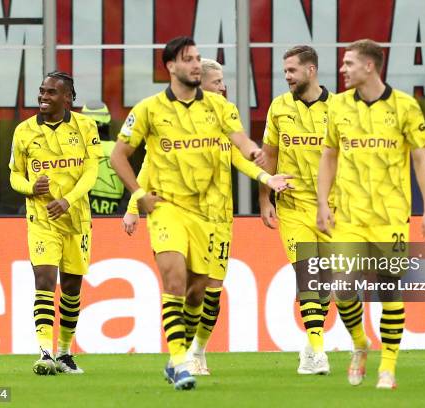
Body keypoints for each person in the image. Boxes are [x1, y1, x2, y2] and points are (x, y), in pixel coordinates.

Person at [110, 36, 291, 391]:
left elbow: (240, 143)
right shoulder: (148, 109)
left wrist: (257, 156)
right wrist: (138, 197)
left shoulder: (220, 108)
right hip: (168, 208)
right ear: (171, 66)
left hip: (210, 215)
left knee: (198, 293)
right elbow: (120, 156)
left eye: (197, 58)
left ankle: (187, 352)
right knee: (175, 281)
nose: (195, 64)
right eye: (188, 59)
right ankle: (180, 362)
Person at [316, 39, 425, 389]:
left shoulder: (405, 106)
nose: (342, 69)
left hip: (391, 217)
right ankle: (359, 344)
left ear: (370, 66)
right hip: (349, 215)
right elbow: (329, 155)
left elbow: (420, 161)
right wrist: (323, 202)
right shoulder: (337, 106)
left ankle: (388, 366)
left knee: (388, 289)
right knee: (342, 287)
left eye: (349, 63)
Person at [258, 45, 345, 376]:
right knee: (307, 273)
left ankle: (311, 345)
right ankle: (320, 352)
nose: (287, 77)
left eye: (292, 71)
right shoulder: (279, 107)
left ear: (311, 71)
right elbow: (268, 154)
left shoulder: (338, 109)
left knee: (325, 282)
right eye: (285, 72)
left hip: (330, 207)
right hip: (293, 205)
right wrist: (265, 200)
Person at [184, 58, 274, 375]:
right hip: (187, 215)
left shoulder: (227, 114)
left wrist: (265, 178)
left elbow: (239, 156)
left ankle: (198, 351)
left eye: (223, 81)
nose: (223, 86)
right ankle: (180, 350)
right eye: (217, 81)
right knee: (190, 287)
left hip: (221, 218)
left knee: (212, 290)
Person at [9, 71, 102, 375]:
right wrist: (29, 187)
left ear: (67, 98)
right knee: (45, 281)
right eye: (41, 91)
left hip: (76, 219)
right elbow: (14, 174)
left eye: (50, 92)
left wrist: (68, 200)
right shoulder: (24, 131)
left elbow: (91, 172)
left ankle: (64, 352)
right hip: (42, 219)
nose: (43, 97)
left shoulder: (86, 126)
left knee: (72, 288)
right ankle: (45, 352)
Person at [82, 101, 125, 215]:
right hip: (117, 216)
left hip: (86, 216)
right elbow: (131, 188)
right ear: (107, 123)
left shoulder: (79, 151)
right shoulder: (119, 150)